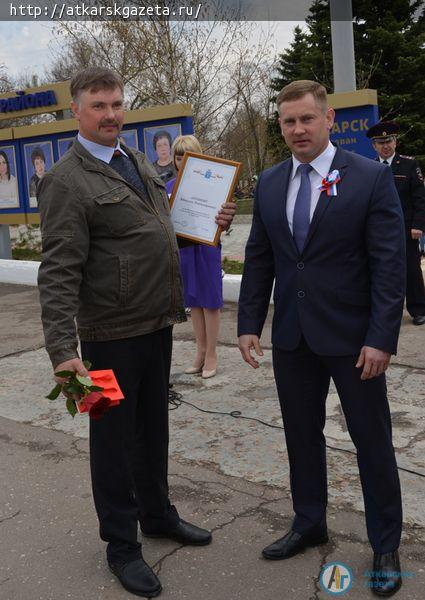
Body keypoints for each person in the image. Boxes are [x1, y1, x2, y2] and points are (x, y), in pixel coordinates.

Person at [37, 67, 235, 598]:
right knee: (112, 441)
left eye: (117, 104)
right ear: (76, 111)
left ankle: (157, 514)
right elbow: (57, 271)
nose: (110, 115)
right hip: (105, 335)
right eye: (98, 106)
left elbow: (161, 232)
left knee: (152, 430)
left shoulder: (136, 160)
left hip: (154, 324)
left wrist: (208, 227)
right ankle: (121, 543)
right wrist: (63, 349)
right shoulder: (64, 181)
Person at [238, 80, 406, 597]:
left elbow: (389, 265)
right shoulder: (270, 182)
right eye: (288, 122)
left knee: (370, 441)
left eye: (307, 119)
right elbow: (261, 257)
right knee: (300, 436)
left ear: (328, 119)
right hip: (294, 338)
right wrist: (248, 324)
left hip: (355, 342)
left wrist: (381, 337)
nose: (297, 130)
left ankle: (385, 543)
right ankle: (309, 522)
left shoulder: (370, 178)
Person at [166, 135, 222, 378]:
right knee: (194, 300)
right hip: (184, 248)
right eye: (179, 157)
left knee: (210, 300)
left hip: (207, 246)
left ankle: (212, 353)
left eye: (188, 156)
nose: (183, 161)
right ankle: (199, 351)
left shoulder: (212, 183)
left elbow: (223, 214)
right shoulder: (168, 186)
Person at [367, 121, 425, 326]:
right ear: (374, 145)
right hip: (379, 230)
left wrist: (418, 225)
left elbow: (420, 198)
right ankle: (386, 312)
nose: (385, 145)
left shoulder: (409, 165)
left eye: (389, 141)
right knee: (381, 271)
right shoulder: (370, 168)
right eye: (380, 142)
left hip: (406, 229)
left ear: (396, 142)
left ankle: (418, 309)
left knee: (411, 269)